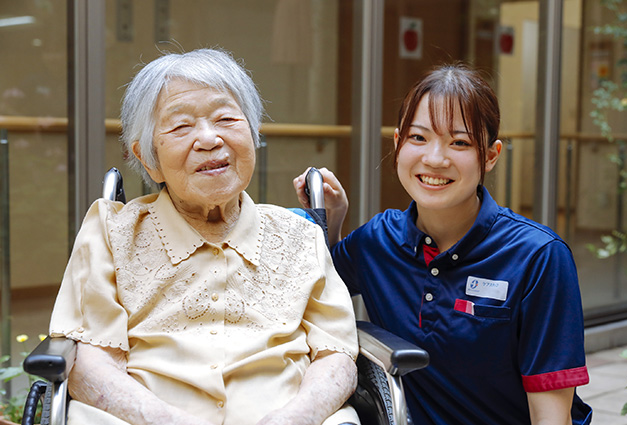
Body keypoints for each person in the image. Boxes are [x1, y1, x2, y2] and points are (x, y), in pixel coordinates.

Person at [49, 48, 360, 425]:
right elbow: (89, 362)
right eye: (181, 127)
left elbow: (335, 353)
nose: (210, 138)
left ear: (252, 133)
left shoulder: (299, 236)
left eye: (226, 118)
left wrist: (295, 418)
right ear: (149, 160)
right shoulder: (113, 233)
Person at [293, 63, 592, 425]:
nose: (435, 159)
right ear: (398, 143)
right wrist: (335, 220)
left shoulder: (538, 257)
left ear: (491, 155)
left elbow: (551, 416)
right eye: (418, 138)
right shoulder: (377, 240)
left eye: (460, 142)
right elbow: (319, 292)